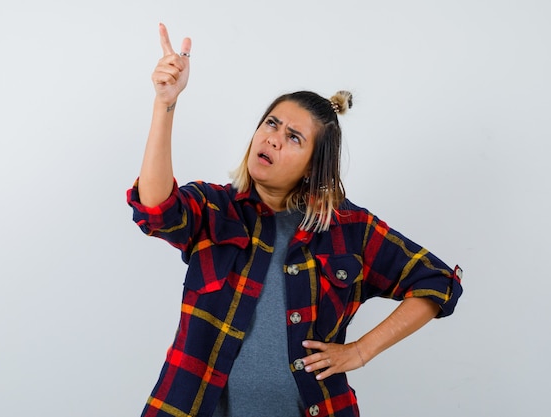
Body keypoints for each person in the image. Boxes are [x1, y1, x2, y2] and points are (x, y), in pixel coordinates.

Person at [127, 23, 463, 417]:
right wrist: (165, 104)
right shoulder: (216, 208)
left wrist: (359, 351)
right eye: (271, 124)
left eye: (294, 137)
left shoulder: (348, 229)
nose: (272, 138)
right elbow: (155, 209)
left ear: (311, 168)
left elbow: (438, 283)